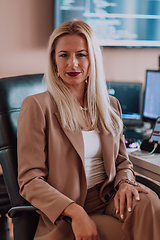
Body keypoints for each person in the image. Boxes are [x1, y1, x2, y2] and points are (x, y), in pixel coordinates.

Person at [17, 19, 160, 240]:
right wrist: (75, 211)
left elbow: (123, 161)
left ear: (92, 59)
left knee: (149, 202)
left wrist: (125, 182)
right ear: (54, 61)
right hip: (67, 210)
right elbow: (30, 180)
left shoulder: (110, 105)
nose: (73, 64)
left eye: (81, 54)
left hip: (109, 198)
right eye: (64, 55)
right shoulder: (37, 106)